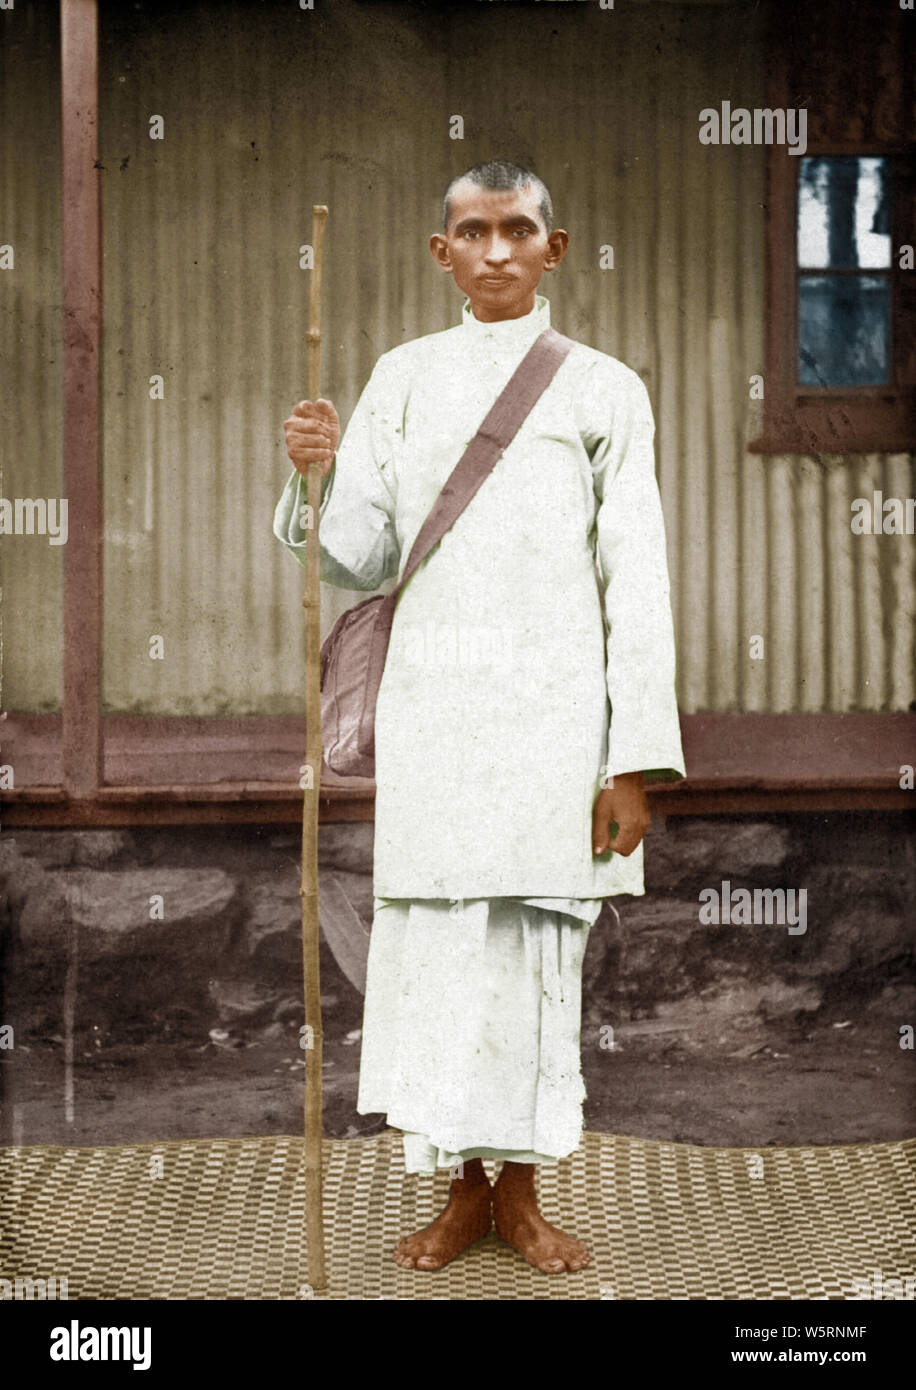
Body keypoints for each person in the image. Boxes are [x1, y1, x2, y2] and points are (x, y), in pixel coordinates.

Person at [274, 160, 685, 1274]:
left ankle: (526, 1195)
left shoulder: (604, 388)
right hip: (439, 720)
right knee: (448, 965)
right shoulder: (402, 379)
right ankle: (462, 1194)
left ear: (554, 249)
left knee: (534, 963)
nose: (495, 250)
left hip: (556, 728)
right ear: (440, 252)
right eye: (472, 231)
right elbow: (355, 551)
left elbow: (633, 578)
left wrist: (632, 760)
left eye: (516, 230)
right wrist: (314, 476)